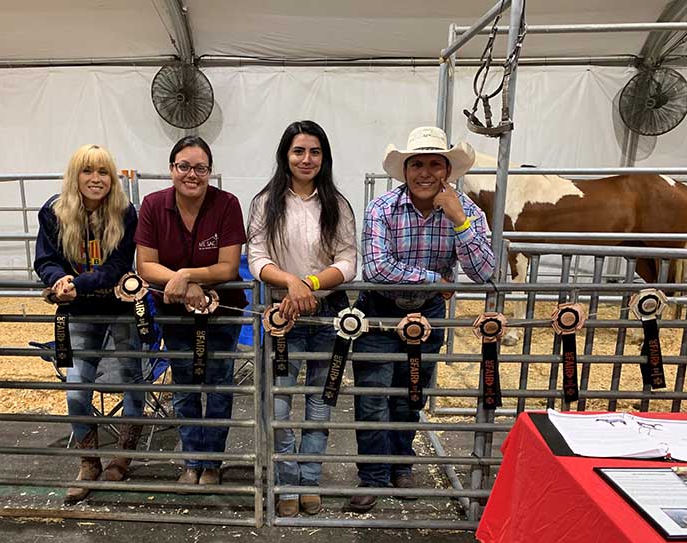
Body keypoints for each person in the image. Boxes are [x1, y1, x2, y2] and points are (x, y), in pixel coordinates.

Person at [348, 126, 496, 512]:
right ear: (405, 169)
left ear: (447, 170)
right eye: (417, 164)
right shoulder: (381, 208)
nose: (425, 173)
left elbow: (484, 272)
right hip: (379, 311)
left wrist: (460, 221)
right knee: (372, 398)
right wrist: (437, 280)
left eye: (435, 164)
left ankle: (401, 465)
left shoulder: (466, 211)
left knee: (411, 393)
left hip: (427, 314)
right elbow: (378, 269)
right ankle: (373, 475)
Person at [248, 121, 357, 517]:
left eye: (314, 152)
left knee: (319, 402)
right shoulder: (264, 203)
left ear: (324, 157)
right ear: (285, 155)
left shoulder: (338, 205)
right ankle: (285, 480)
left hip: (327, 314)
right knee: (278, 405)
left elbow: (348, 261)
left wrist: (308, 284)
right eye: (299, 151)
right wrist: (291, 284)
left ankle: (309, 480)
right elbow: (257, 257)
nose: (306, 159)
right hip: (281, 314)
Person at [34, 143, 145, 504]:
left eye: (103, 172)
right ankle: (88, 462)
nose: (95, 179)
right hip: (77, 311)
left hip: (121, 308)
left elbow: (117, 267)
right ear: (75, 176)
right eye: (88, 171)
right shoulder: (53, 213)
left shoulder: (126, 214)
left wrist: (74, 283)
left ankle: (123, 457)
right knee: (77, 389)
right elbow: (45, 258)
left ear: (112, 179)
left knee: (132, 380)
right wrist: (57, 281)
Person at [135, 136, 246, 486]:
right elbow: (146, 265)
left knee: (218, 388)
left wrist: (185, 275)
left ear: (210, 172)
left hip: (223, 312)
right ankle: (191, 461)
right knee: (183, 387)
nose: (192, 174)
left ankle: (212, 463)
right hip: (175, 314)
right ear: (171, 169)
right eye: (184, 166)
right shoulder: (153, 205)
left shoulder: (227, 204)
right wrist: (185, 285)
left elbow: (228, 267)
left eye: (200, 168)